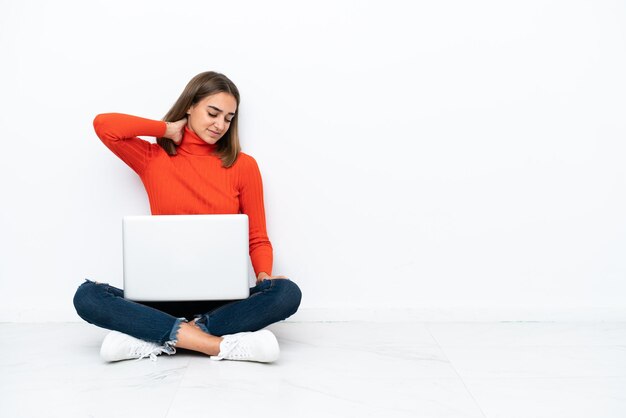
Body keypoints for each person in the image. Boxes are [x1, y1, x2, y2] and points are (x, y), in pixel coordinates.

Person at [73, 71, 302, 363]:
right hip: (160, 298)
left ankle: (158, 337)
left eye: (228, 118)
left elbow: (257, 238)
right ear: (190, 106)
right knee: (87, 296)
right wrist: (166, 129)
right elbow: (104, 125)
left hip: (223, 301)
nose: (220, 125)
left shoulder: (243, 166)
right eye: (213, 112)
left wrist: (265, 276)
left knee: (286, 293)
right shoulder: (152, 158)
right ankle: (216, 345)